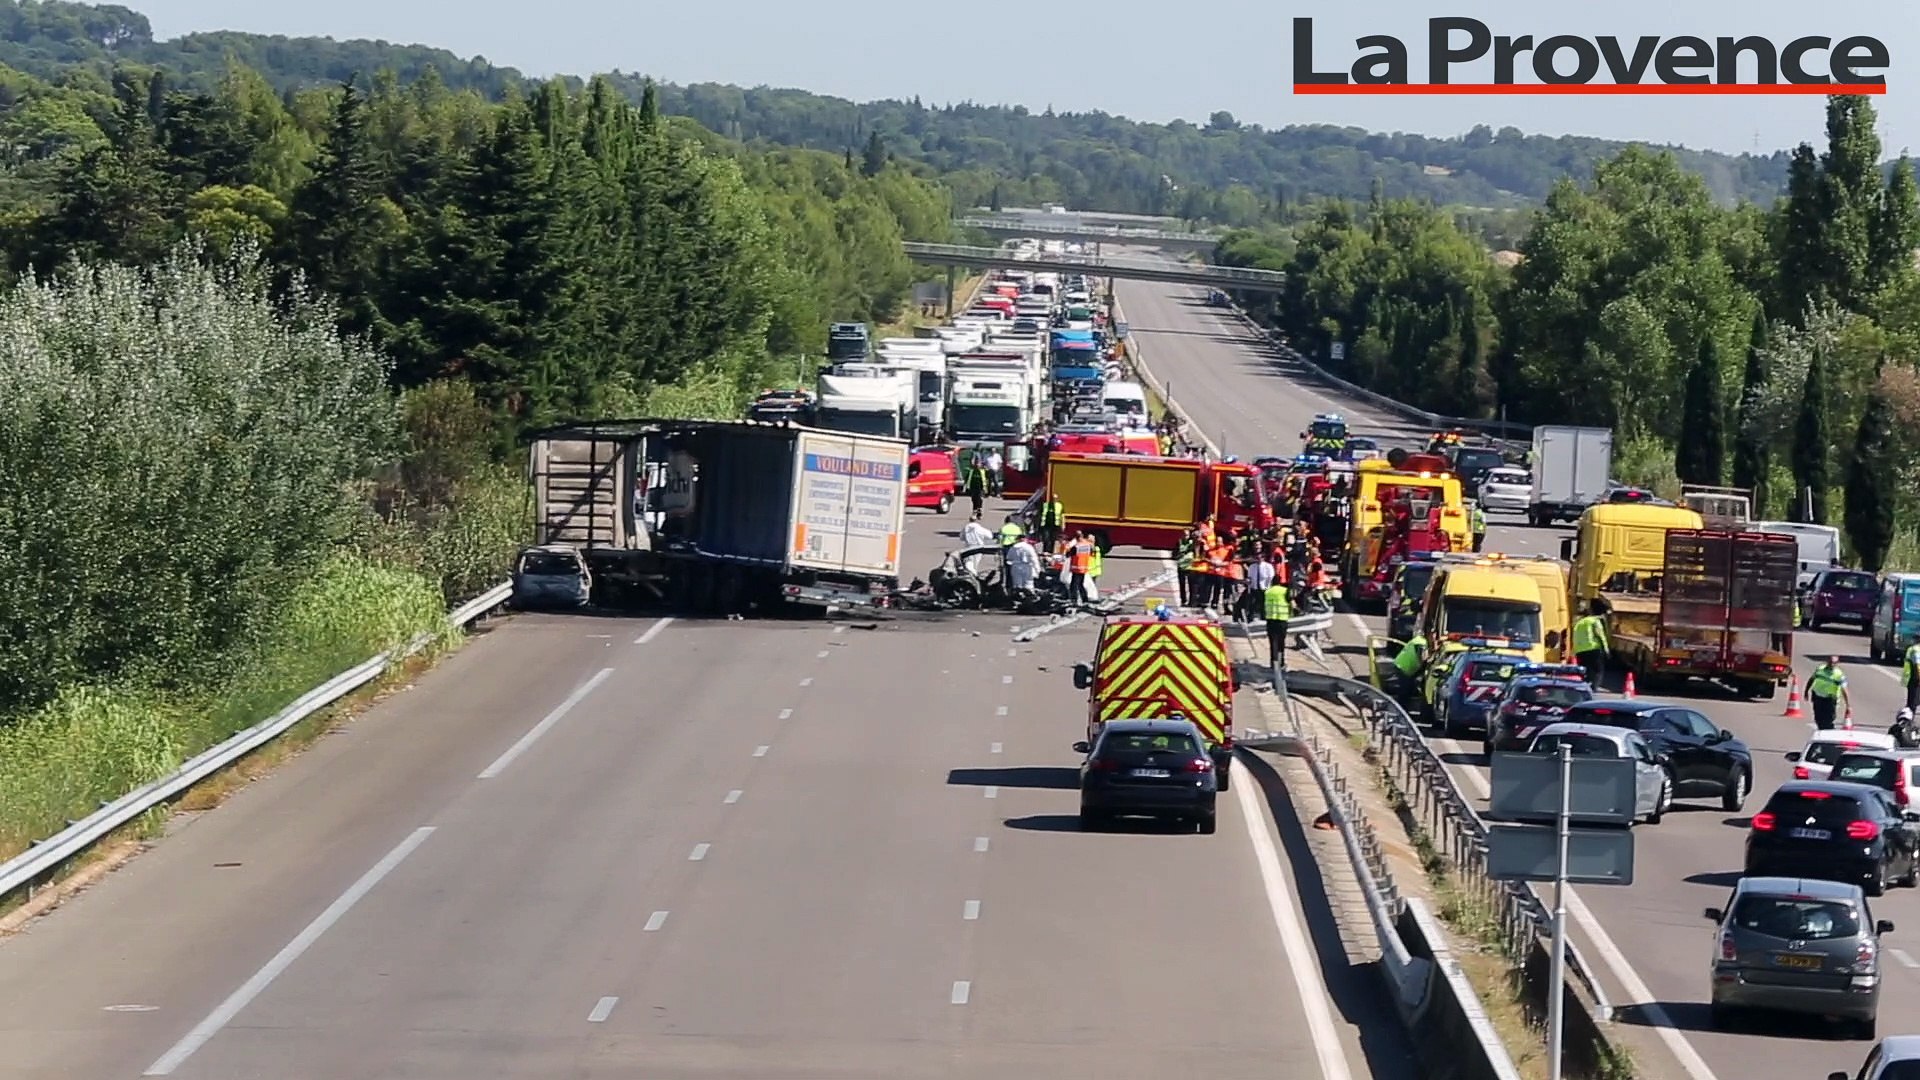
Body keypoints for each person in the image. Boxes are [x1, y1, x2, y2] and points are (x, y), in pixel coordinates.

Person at [1572, 601, 1610, 687]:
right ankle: (1593, 689)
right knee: (1598, 671)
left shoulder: (1579, 623)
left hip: (1580, 651)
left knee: (1584, 672)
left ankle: (1583, 686)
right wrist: (1606, 650)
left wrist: (1574, 652)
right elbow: (1600, 636)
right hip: (1593, 649)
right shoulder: (1594, 621)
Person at [1808, 655, 1850, 731]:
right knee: (1818, 718)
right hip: (1818, 697)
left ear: (1837, 664)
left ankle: (1828, 733)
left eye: (1834, 663)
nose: (1831, 664)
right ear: (1827, 661)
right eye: (1830, 662)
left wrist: (1848, 705)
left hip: (1830, 700)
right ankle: (1821, 731)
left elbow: (1844, 690)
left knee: (1828, 720)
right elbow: (1812, 679)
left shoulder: (1839, 675)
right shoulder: (1820, 669)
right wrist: (1806, 691)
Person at [1264, 574, 1292, 668]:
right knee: (1281, 642)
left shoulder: (1267, 591)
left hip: (1270, 620)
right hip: (1282, 619)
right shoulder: (1284, 591)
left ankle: (1273, 663)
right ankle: (1281, 662)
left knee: (1273, 642)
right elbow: (1290, 601)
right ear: (1280, 582)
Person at [1065, 531, 1094, 607]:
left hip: (1076, 568)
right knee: (1080, 584)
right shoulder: (1088, 545)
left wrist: (1068, 546)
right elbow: (1091, 552)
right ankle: (1085, 599)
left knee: (1073, 585)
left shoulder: (1076, 546)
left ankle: (1073, 600)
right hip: (1083, 567)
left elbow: (1068, 554)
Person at [1904, 641, 1920, 711]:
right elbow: (1917, 665)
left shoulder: (1912, 648)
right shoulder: (1916, 650)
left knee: (1912, 701)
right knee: (1913, 702)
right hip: (1915, 678)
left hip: (1912, 677)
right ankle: (1909, 715)